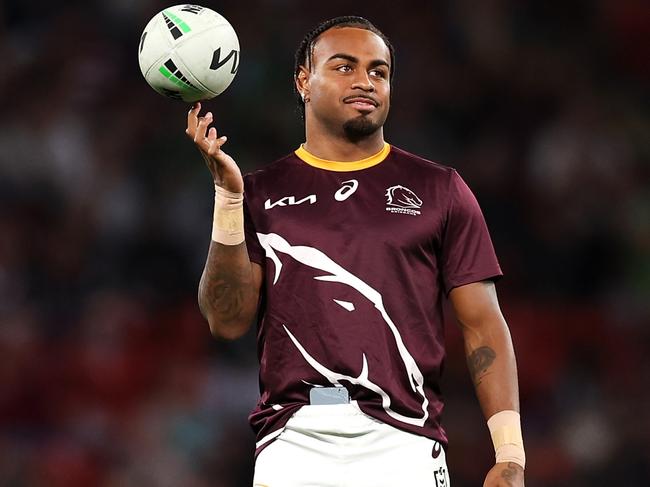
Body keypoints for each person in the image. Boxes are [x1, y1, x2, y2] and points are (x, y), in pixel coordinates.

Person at [186, 15, 525, 487]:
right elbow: (226, 321)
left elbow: (483, 323)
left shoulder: (439, 189)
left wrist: (509, 454)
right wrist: (228, 198)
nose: (365, 80)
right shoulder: (259, 193)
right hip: (293, 442)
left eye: (379, 71)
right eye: (344, 67)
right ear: (304, 80)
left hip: (404, 441)